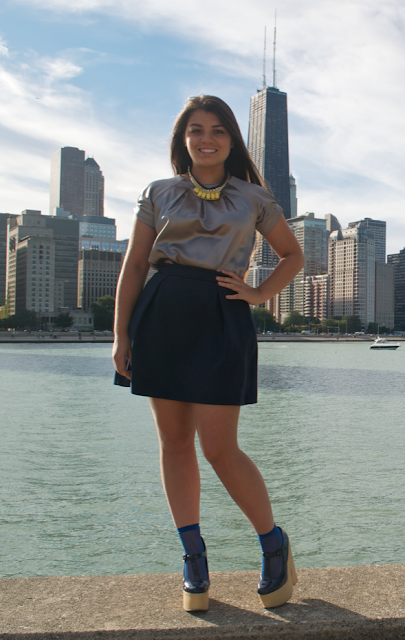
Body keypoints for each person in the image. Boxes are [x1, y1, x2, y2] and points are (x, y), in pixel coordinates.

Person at [113, 95, 305, 612]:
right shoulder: (159, 192)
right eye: (196, 129)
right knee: (175, 443)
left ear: (232, 140)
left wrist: (260, 294)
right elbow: (135, 266)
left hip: (222, 319)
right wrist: (121, 335)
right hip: (161, 318)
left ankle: (273, 544)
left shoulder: (254, 197)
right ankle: (194, 561)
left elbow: (293, 255)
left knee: (220, 449)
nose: (206, 139)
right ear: (183, 139)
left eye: (218, 130)